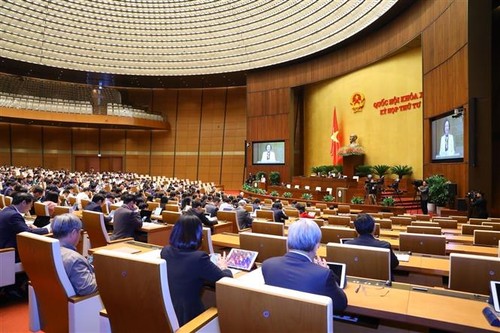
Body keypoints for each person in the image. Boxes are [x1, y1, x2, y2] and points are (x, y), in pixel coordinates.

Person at [262, 219, 347, 313]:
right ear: (317, 246)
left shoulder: (267, 265)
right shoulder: (323, 274)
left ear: (288, 241)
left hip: (278, 320)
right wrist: (326, 271)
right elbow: (341, 305)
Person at [160, 214, 232, 326]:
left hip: (170, 313)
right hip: (190, 319)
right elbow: (226, 280)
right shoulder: (199, 258)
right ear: (197, 235)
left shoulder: (165, 251)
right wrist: (224, 266)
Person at [51, 213, 97, 296]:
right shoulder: (75, 259)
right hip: (82, 304)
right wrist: (102, 275)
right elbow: (87, 288)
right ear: (74, 232)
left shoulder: (48, 250)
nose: (80, 237)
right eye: (80, 232)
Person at [0, 192, 50, 262]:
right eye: (30, 205)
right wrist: (47, 229)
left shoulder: (7, 209)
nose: (30, 209)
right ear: (23, 202)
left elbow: (18, 228)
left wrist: (26, 227)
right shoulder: (14, 215)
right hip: (9, 252)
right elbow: (27, 233)